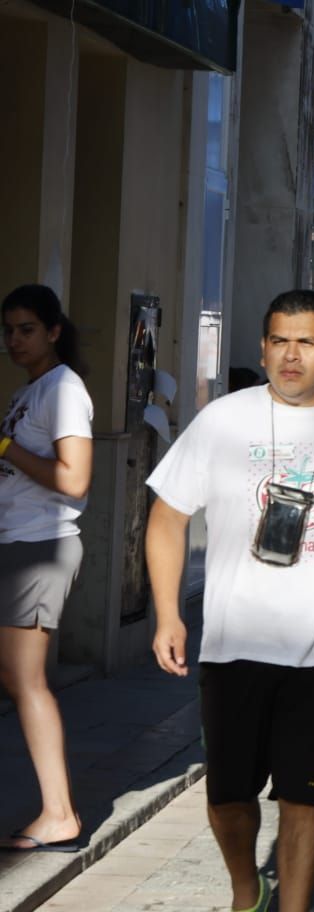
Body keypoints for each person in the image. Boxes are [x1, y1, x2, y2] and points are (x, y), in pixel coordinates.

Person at [146, 290, 314, 912]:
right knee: (228, 796)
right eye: (278, 341)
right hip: (233, 640)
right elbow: (166, 519)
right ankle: (249, 889)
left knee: (305, 796)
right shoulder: (223, 420)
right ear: (263, 348)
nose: (290, 356)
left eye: (306, 342)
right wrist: (168, 612)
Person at [0, 285, 92, 853]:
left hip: (43, 545)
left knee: (27, 680)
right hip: (19, 543)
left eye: (26, 329)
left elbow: (75, 479)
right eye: (8, 330)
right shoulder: (30, 390)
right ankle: (57, 808)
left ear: (53, 331)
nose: (14, 340)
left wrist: (6, 445)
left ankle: (60, 814)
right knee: (16, 678)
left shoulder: (63, 389)